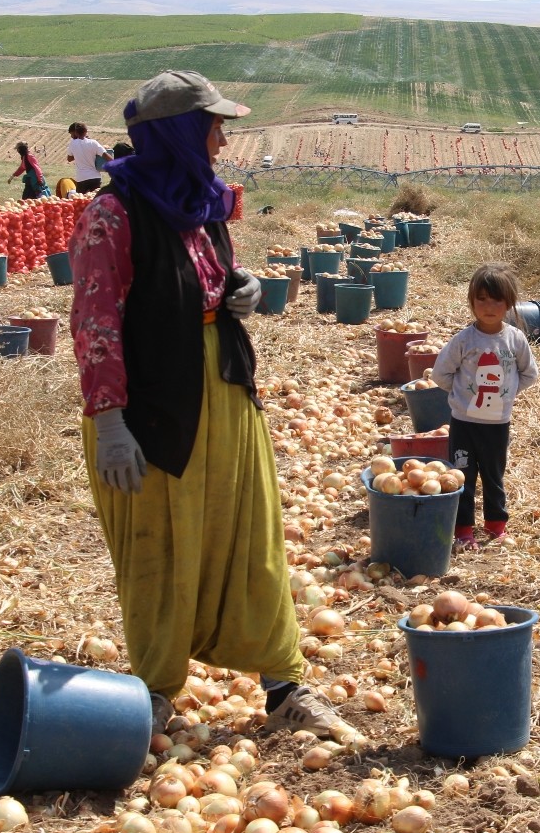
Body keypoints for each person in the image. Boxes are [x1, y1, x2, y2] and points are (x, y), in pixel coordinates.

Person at [67, 69, 358, 743]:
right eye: (215, 125)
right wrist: (110, 423)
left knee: (250, 537)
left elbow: (209, 280)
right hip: (153, 409)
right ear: (180, 133)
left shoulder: (198, 202)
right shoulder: (111, 215)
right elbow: (94, 323)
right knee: (159, 550)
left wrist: (242, 286)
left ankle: (285, 688)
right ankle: (155, 694)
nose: (224, 138)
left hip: (223, 390)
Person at [432, 264, 540, 550]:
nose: (489, 306)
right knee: (462, 476)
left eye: (497, 300)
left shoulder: (514, 339)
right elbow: (440, 374)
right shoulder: (464, 340)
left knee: (494, 476)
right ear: (471, 301)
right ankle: (463, 531)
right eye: (481, 299)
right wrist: (461, 397)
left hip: (497, 424)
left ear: (509, 303)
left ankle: (495, 526)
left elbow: (530, 373)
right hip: (464, 423)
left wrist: (507, 395)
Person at [67, 122, 111, 194]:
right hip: (95, 177)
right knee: (95, 199)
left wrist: (78, 153)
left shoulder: (72, 144)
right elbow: (106, 156)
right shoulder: (93, 143)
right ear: (86, 132)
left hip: (81, 178)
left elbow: (69, 159)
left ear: (76, 133)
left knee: (81, 201)